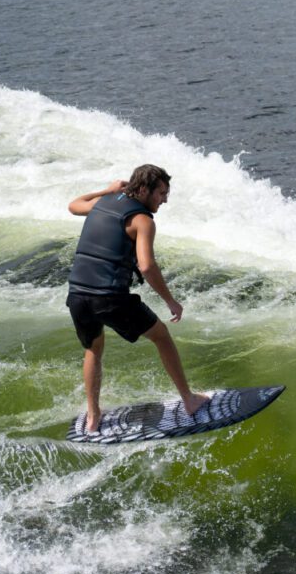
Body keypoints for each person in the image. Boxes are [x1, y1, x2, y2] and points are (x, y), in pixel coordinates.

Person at [66, 164, 210, 430]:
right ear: (143, 190)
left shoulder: (104, 202)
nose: (165, 200)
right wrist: (171, 301)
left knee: (93, 350)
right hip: (108, 297)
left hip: (77, 294)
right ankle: (189, 400)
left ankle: (93, 417)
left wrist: (107, 190)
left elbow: (74, 205)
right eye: (161, 193)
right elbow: (146, 266)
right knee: (162, 336)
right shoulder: (142, 221)